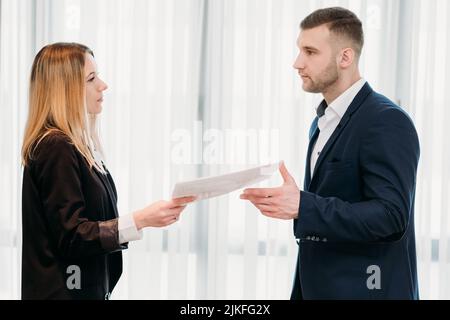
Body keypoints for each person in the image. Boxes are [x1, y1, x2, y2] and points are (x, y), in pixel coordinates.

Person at [240, 7, 420, 299]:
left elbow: (390, 216)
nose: (297, 63)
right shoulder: (322, 120)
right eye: (299, 50)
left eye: (310, 52)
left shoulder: (385, 120)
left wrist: (303, 206)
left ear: (345, 57)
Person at [21, 43, 195, 300]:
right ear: (65, 90)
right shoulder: (55, 146)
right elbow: (72, 236)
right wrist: (140, 220)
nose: (103, 85)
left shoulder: (77, 148)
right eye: (91, 79)